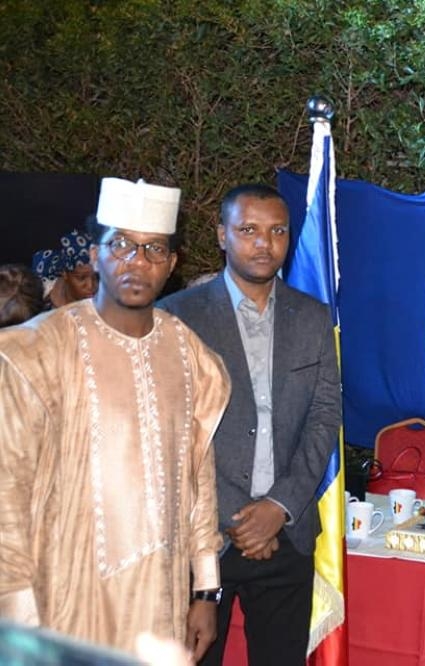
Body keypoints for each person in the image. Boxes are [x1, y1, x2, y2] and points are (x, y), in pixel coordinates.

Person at [0, 177, 232, 660]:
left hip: (160, 603)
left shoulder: (190, 354)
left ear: (171, 264)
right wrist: (20, 623)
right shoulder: (36, 351)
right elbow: (7, 496)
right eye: (121, 244)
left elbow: (199, 479)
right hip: (63, 601)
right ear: (93, 254)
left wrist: (206, 590)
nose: (136, 262)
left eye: (153, 249)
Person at [159, 184, 342, 665]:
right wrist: (242, 516)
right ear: (222, 235)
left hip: (288, 534)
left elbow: (324, 417)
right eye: (248, 230)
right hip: (204, 538)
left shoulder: (314, 317)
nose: (264, 243)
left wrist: (278, 507)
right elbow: (174, 432)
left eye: (277, 231)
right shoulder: (178, 318)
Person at [32, 228, 99, 309]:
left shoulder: (106, 304)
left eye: (96, 277)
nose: (90, 286)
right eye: (81, 278)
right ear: (64, 273)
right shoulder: (40, 298)